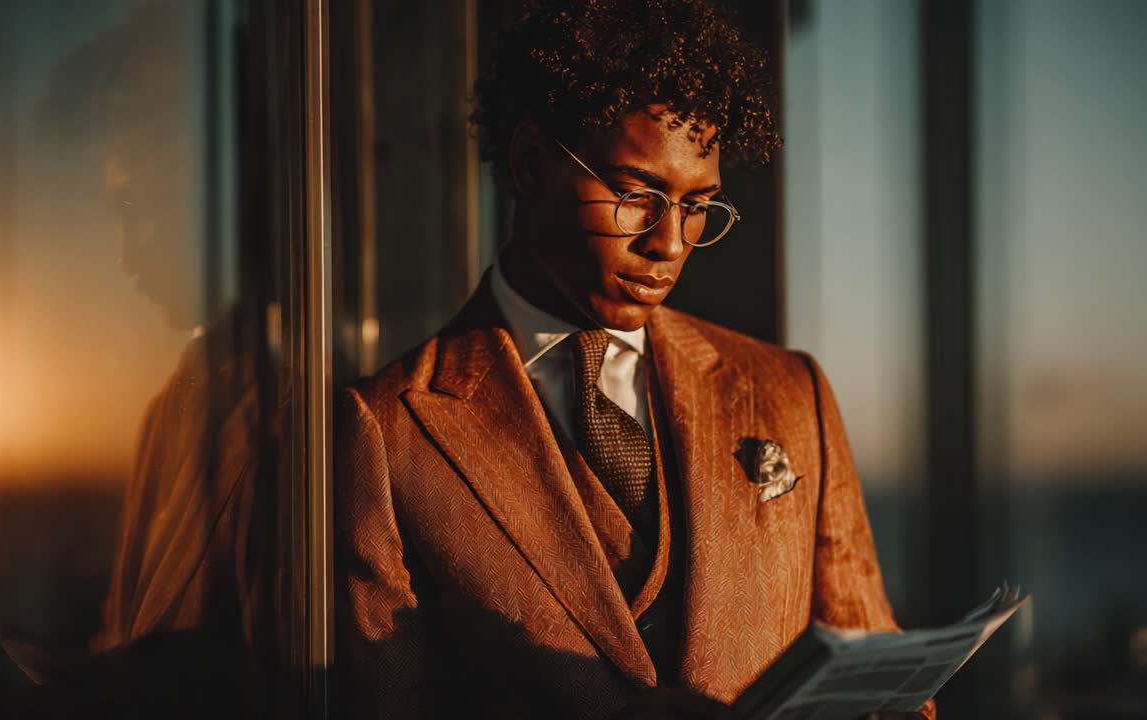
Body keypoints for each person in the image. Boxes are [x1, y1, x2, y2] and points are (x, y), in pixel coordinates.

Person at [334, 1, 935, 718]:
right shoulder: (388, 431)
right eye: (634, 194)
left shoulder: (787, 392)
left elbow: (884, 686)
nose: (671, 243)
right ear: (529, 164)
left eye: (697, 206)